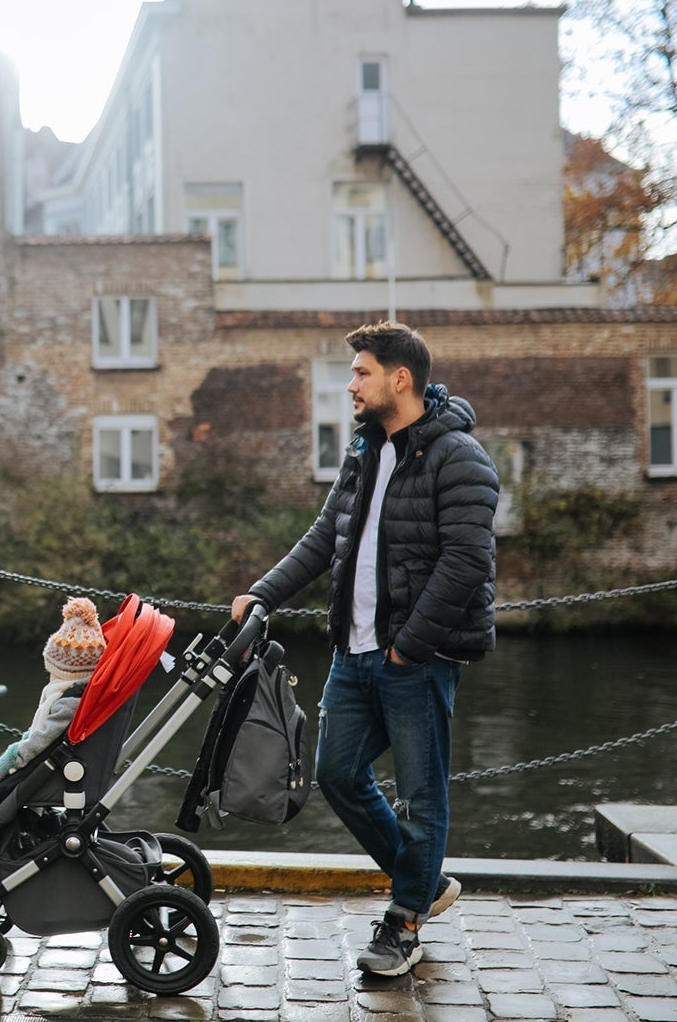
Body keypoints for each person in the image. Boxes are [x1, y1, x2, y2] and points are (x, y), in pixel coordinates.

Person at [231, 321, 497, 977]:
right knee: (336, 773)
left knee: (421, 793)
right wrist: (261, 593)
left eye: (361, 372)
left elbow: (467, 562)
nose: (350, 384)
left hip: (415, 656)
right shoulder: (364, 450)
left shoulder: (458, 456)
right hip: (352, 655)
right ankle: (426, 882)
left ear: (399, 379)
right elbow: (326, 535)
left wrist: (410, 647)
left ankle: (405, 920)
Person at [0, 596, 106, 790]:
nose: (50, 678)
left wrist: (9, 759)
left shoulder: (70, 702)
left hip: (46, 778)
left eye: (53, 672)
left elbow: (42, 739)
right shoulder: (81, 695)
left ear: (66, 673)